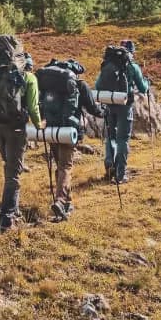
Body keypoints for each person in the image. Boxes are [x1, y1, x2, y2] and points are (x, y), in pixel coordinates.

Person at [39, 59, 101, 221]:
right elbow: (92, 107)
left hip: (51, 130)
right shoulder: (79, 84)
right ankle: (60, 200)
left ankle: (67, 202)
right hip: (69, 130)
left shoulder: (48, 84)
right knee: (65, 166)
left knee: (60, 165)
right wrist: (103, 113)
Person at [0, 52, 42, 232]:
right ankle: (7, 219)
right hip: (15, 128)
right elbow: (33, 106)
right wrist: (39, 125)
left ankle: (14, 210)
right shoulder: (30, 78)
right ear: (30, 66)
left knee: (9, 166)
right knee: (14, 173)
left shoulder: (1, 75)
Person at [96, 39, 150, 184]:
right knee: (122, 139)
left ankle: (109, 166)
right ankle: (120, 174)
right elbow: (143, 88)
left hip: (109, 104)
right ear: (132, 52)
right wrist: (147, 83)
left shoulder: (108, 63)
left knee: (110, 136)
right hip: (125, 106)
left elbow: (97, 84)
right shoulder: (132, 66)